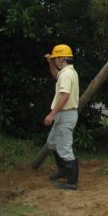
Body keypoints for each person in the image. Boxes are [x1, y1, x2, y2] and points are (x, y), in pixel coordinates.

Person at [44, 44, 80, 190]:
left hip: (65, 115)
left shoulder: (66, 74)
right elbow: (55, 75)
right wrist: (51, 63)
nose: (56, 60)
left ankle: (71, 182)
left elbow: (65, 96)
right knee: (52, 143)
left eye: (56, 58)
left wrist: (52, 114)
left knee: (65, 148)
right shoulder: (68, 72)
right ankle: (63, 171)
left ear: (63, 58)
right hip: (64, 114)